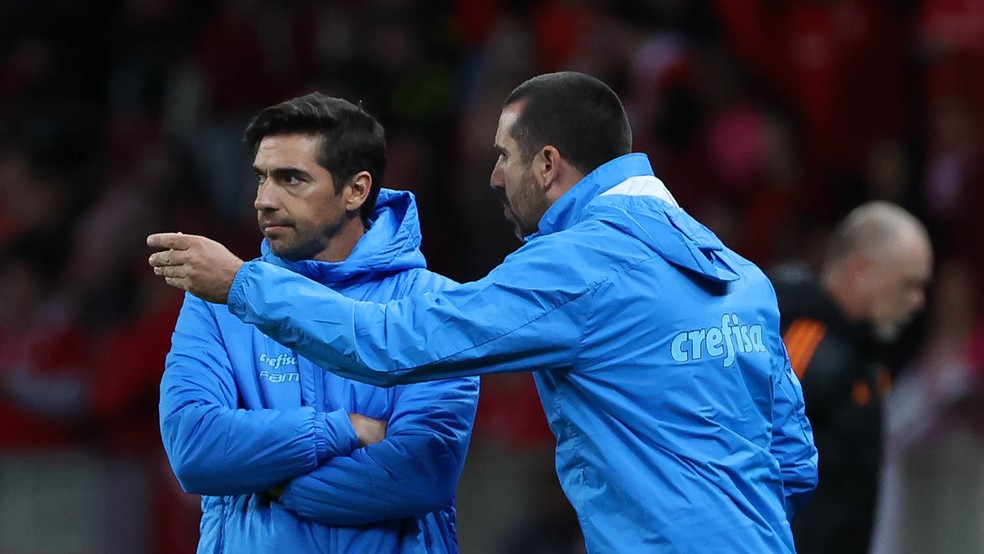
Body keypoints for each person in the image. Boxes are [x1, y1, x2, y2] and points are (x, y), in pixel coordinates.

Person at [148, 72, 817, 552]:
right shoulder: (738, 272)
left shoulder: (576, 268)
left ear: (548, 164)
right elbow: (794, 459)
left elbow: (397, 346)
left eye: (504, 156)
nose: (494, 176)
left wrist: (242, 286)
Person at [155, 93, 480, 553]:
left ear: (356, 190)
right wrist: (341, 429)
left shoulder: (433, 304)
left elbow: (420, 475)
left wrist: (272, 482)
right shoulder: (216, 301)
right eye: (261, 178)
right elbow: (195, 450)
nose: (264, 200)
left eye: (291, 179)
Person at [770, 201, 933, 554]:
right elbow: (763, 450)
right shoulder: (803, 341)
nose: (918, 301)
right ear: (861, 269)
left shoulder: (863, 351)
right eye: (909, 284)